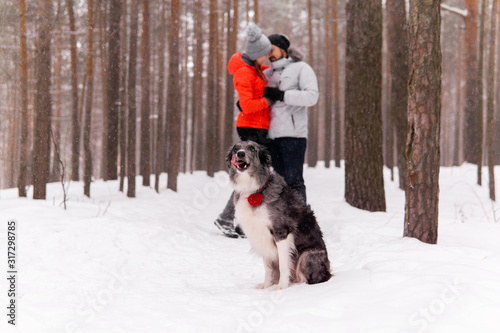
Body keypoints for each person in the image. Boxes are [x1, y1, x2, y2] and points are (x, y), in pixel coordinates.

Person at [214, 24, 272, 238]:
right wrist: (268, 100)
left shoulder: (254, 68)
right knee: (250, 177)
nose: (267, 58)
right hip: (250, 126)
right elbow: (247, 105)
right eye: (265, 55)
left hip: (257, 125)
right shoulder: (244, 73)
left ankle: (237, 219)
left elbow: (264, 74)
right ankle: (226, 218)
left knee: (256, 176)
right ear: (256, 55)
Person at [263, 34, 319, 203]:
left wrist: (282, 95)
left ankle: (301, 224)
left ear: (282, 48)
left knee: (294, 181)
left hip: (293, 136)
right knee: (276, 184)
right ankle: (281, 223)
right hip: (270, 136)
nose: (269, 54)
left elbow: (312, 97)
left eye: (271, 49)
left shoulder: (301, 68)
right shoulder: (266, 71)